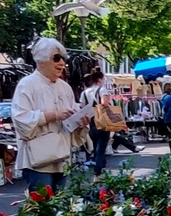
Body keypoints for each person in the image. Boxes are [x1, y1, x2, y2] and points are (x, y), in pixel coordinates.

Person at [10, 37, 77, 190]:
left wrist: (81, 121)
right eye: (56, 58)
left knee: (61, 209)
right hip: (39, 161)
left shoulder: (65, 87)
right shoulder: (27, 84)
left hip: (62, 157)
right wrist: (52, 115)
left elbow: (70, 120)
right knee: (43, 208)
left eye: (63, 58)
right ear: (41, 61)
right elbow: (21, 120)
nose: (62, 63)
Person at [79, 68, 110, 175]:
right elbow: (104, 104)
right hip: (101, 120)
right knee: (101, 145)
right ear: (100, 79)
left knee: (96, 142)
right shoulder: (102, 90)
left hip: (91, 121)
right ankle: (98, 168)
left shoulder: (84, 92)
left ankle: (102, 163)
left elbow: (82, 107)